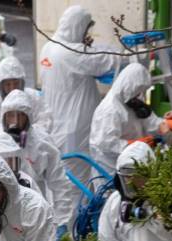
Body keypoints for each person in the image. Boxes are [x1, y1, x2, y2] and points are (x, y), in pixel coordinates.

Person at [0, 90, 77, 241]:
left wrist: (62, 220)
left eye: (20, 116)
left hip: (33, 212)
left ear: (29, 118)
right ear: (3, 117)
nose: (15, 121)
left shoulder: (42, 144)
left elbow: (60, 184)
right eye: (11, 115)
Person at [38, 6, 120, 166]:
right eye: (85, 29)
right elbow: (112, 59)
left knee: (59, 176)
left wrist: (84, 47)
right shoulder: (73, 52)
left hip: (54, 124)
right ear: (78, 27)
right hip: (75, 129)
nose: (87, 34)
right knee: (78, 179)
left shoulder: (49, 47)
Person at [89, 63, 172, 172]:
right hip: (111, 166)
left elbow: (149, 121)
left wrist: (165, 124)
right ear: (129, 86)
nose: (139, 95)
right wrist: (133, 144)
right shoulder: (109, 110)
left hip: (135, 160)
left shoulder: (132, 98)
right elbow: (105, 144)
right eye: (137, 91)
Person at [0, 56, 48, 152]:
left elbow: (44, 122)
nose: (13, 88)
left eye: (16, 83)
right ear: (0, 85)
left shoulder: (34, 97)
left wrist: (29, 135)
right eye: (8, 84)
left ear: (22, 83)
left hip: (32, 149)